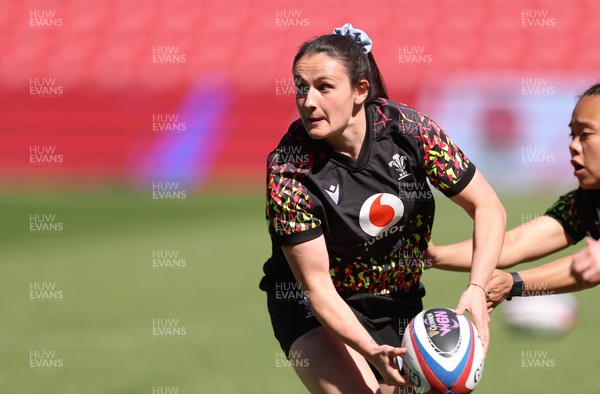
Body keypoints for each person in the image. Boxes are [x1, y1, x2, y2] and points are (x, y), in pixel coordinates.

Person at [259, 23, 506, 393]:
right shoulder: (288, 169)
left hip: (397, 300)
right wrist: (371, 350)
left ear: (360, 90)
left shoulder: (409, 131)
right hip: (314, 307)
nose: (308, 101)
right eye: (301, 87)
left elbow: (487, 207)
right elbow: (317, 287)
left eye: (324, 87)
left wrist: (476, 286)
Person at [428, 83, 600, 309]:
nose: (573, 146)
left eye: (585, 134)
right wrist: (433, 256)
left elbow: (592, 268)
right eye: (572, 134)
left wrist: (515, 283)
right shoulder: (585, 201)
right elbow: (513, 244)